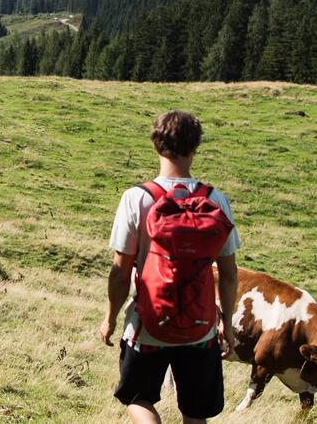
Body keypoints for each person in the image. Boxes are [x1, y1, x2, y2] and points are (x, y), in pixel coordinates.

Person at [99, 110, 240, 424]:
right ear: (195, 148)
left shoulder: (136, 198)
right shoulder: (216, 200)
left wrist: (109, 318)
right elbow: (229, 275)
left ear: (156, 145)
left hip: (148, 324)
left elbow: (121, 271)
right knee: (196, 412)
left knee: (138, 397)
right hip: (200, 329)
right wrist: (226, 325)